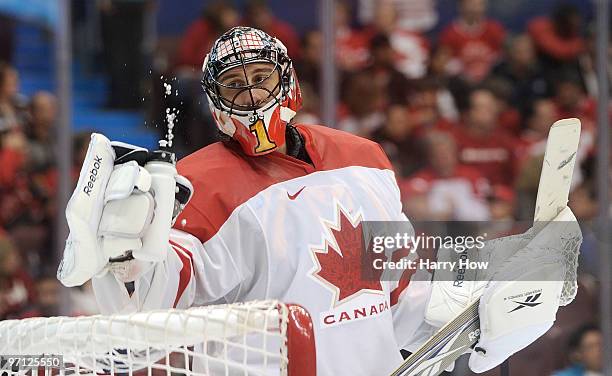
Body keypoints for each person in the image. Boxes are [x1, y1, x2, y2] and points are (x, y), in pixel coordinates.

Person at [58, 27, 581, 375]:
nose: (251, 96)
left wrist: (494, 288)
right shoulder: (196, 183)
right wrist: (125, 257)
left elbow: (396, 279)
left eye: (260, 79)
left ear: (287, 82)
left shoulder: (364, 157)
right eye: (235, 86)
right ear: (215, 103)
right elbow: (158, 303)